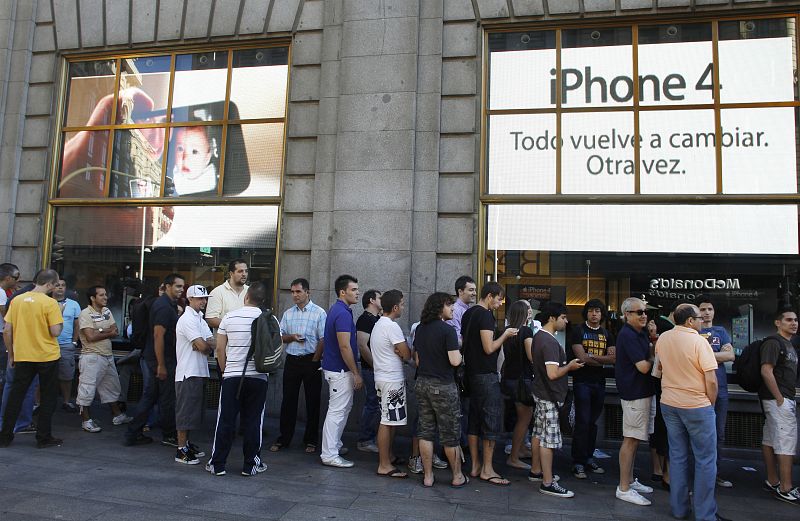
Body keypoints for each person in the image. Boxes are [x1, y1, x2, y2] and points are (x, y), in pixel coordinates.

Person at [656, 303, 730, 521]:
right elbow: (711, 381)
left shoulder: (664, 338)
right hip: (697, 404)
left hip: (669, 403)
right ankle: (705, 513)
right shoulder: (700, 342)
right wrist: (709, 403)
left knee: (677, 456)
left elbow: (658, 370)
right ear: (689, 321)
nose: (702, 321)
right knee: (706, 460)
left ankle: (679, 509)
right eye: (698, 317)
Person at [206, 283, 270, 476]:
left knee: (225, 420)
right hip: (258, 377)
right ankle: (250, 465)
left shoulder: (229, 317)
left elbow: (220, 348)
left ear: (246, 297)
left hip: (232, 376)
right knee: (253, 422)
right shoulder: (268, 318)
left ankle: (218, 464)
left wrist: (225, 371)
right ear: (262, 301)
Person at [0, 269, 63, 449]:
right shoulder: (51, 303)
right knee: (48, 396)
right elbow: (55, 332)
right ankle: (43, 437)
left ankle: (5, 436)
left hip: (23, 355)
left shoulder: (17, 300)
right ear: (50, 284)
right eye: (56, 285)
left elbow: (7, 330)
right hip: (47, 356)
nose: (56, 288)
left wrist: (11, 354)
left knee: (15, 395)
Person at [462, 281, 517, 486]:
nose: (500, 303)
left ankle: (475, 466)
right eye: (499, 298)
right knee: (491, 420)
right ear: (490, 296)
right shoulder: (485, 315)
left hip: (471, 373)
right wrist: (505, 334)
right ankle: (487, 469)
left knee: (474, 420)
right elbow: (488, 347)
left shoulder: (469, 313)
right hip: (485, 374)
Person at [528, 301, 583, 498]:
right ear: (552, 318)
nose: (566, 321)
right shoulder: (550, 341)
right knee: (548, 440)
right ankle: (547, 482)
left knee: (538, 433)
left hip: (542, 393)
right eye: (563, 317)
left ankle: (536, 471)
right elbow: (552, 373)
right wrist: (569, 367)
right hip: (549, 395)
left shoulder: (539, 337)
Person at [414, 292, 467, 488]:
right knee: (450, 434)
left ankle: (428, 477)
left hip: (422, 383)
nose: (452, 308)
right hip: (443, 386)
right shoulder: (447, 331)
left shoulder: (420, 329)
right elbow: (454, 361)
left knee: (426, 431)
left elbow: (417, 360)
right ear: (439, 308)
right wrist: (461, 354)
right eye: (449, 305)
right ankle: (457, 476)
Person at [125, 274, 184, 446]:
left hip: (158, 357)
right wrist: (161, 365)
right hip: (159, 358)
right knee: (165, 397)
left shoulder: (168, 305)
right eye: (177, 286)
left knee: (150, 396)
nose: (181, 289)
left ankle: (134, 432)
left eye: (182, 286)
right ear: (166, 286)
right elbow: (158, 336)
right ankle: (169, 434)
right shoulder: (163, 307)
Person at [270, 278, 326, 454]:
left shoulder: (319, 313)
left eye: (298, 292)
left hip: (311, 359)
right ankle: (284, 438)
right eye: (292, 292)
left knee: (312, 401)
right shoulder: (288, 313)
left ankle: (311, 440)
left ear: (307, 292)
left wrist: (315, 361)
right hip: (292, 360)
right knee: (288, 401)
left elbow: (324, 339)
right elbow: (279, 336)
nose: (294, 295)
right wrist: (291, 337)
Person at [615, 297, 656, 506]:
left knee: (635, 438)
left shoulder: (639, 334)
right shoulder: (628, 335)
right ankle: (623, 488)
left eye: (645, 311)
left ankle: (629, 481)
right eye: (638, 312)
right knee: (630, 439)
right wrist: (654, 355)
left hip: (642, 392)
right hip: (634, 393)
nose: (643, 315)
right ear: (627, 315)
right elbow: (643, 367)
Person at [569, 299, 615, 478]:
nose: (594, 314)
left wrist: (591, 357)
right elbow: (581, 358)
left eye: (597, 311)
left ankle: (589, 458)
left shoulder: (607, 334)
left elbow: (614, 359)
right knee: (582, 421)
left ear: (602, 314)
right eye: (590, 311)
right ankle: (577, 462)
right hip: (582, 382)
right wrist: (600, 358)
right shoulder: (578, 331)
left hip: (600, 382)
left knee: (593, 423)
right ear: (586, 313)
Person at [76, 286, 132, 433]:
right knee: (87, 389)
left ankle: (117, 415)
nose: (105, 297)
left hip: (107, 356)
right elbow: (90, 337)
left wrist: (99, 330)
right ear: (92, 298)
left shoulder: (107, 311)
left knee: (112, 387)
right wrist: (106, 332)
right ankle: (86, 420)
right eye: (101, 295)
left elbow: (116, 330)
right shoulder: (85, 313)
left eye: (105, 294)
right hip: (91, 356)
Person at [320, 274, 362, 468]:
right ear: (342, 292)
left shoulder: (340, 310)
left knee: (342, 410)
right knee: (337, 412)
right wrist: (356, 372)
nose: (357, 293)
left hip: (338, 369)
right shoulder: (342, 313)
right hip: (340, 370)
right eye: (354, 290)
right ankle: (329, 454)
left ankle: (334, 445)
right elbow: (345, 347)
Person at [369, 289, 412, 478]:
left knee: (390, 420)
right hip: (391, 380)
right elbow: (407, 353)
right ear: (395, 307)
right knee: (387, 421)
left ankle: (389, 457)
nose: (403, 307)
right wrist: (403, 351)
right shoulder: (391, 326)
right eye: (402, 304)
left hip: (383, 377)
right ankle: (384, 464)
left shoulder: (379, 324)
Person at [759, 308, 799, 504]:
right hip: (778, 400)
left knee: (771, 439)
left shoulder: (788, 344)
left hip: (779, 399)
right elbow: (767, 370)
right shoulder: (774, 343)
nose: (794, 323)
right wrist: (780, 398)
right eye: (789, 320)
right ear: (778, 323)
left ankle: (773, 480)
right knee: (786, 442)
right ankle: (785, 487)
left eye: (796, 320)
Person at [696, 295, 736, 489]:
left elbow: (730, 355)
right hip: (698, 389)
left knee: (718, 434)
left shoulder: (720, 331)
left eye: (709, 309)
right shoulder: (692, 332)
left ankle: (715, 474)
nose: (706, 313)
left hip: (720, 390)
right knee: (697, 434)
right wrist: (717, 356)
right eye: (702, 309)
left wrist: (703, 355)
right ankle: (697, 473)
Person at [174, 285, 214, 465]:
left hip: (199, 371)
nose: (203, 301)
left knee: (193, 413)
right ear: (190, 299)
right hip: (187, 372)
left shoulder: (200, 318)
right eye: (200, 298)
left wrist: (203, 345)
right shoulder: (187, 319)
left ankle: (187, 444)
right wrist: (203, 345)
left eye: (205, 298)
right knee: (185, 412)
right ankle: (181, 449)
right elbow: (205, 346)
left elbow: (210, 342)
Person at [500, 300, 535, 470]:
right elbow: (531, 356)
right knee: (524, 419)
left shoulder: (508, 332)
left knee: (520, 418)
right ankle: (514, 456)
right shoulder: (526, 331)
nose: (530, 311)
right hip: (523, 381)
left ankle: (520, 449)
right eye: (527, 310)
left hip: (510, 379)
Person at [355, 289, 381, 454]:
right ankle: (365, 440)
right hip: (370, 370)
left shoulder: (378, 319)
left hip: (377, 370)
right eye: (380, 297)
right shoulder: (365, 319)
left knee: (376, 405)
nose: (382, 300)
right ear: (372, 300)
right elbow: (362, 345)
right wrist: (376, 365)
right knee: (372, 404)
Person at [52, 279, 81, 412]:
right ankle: (38, 403)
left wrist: (74, 341)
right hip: (48, 344)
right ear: (51, 287)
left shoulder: (74, 304)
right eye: (57, 285)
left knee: (67, 375)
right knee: (42, 376)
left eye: (63, 285)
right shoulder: (46, 302)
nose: (60, 288)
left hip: (66, 345)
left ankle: (66, 401)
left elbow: (77, 324)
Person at [170, 126, 219, 196]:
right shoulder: (172, 174)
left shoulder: (210, 181)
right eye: (180, 149)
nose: (185, 158)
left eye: (194, 152)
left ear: (207, 158)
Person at [205, 259, 249, 330]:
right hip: (225, 340)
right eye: (240, 271)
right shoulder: (217, 292)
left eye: (246, 271)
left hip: (247, 340)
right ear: (231, 274)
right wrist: (236, 326)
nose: (244, 274)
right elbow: (211, 320)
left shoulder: (250, 291)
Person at [0, 263, 20, 400]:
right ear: (7, 278)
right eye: (16, 277)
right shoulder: (1, 292)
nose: (18, 280)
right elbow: (6, 315)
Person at [446, 275, 477, 344]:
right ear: (460, 291)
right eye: (471, 290)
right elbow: (456, 339)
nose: (475, 293)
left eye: (475, 290)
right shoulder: (455, 310)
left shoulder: (468, 309)